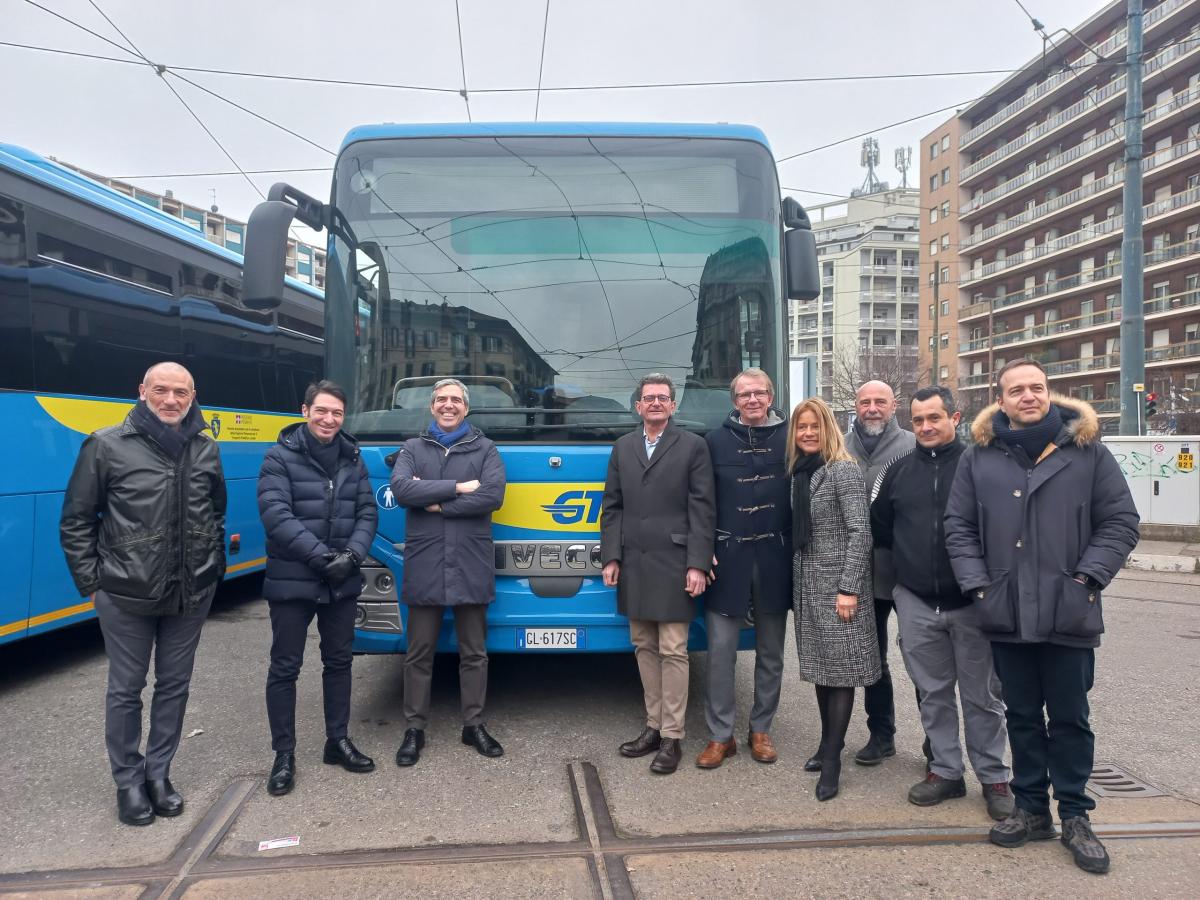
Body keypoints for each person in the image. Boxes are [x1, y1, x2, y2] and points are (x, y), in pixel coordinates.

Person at [945, 359, 1139, 875]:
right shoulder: (979, 457)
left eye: (1037, 388)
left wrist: (1086, 580)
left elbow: (1120, 522)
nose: (1028, 397)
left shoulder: (1088, 452)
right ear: (1000, 398)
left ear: (1049, 393)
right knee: (1023, 716)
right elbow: (958, 528)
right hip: (1005, 609)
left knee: (1071, 718)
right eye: (1016, 390)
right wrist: (979, 586)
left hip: (1068, 610)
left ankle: (1075, 814)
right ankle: (1032, 810)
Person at [60, 362, 225, 826]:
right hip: (124, 594)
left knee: (174, 685)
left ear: (193, 395)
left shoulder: (206, 446)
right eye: (160, 391)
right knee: (126, 689)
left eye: (180, 392)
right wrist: (94, 583)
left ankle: (159, 774)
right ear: (142, 392)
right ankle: (128, 782)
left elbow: (215, 514)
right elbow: (76, 520)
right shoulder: (107, 445)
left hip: (190, 592)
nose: (170, 400)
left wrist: (212, 570)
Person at [870, 386, 1013, 822]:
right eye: (918, 421)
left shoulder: (984, 467)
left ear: (956, 416)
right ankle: (946, 771)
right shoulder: (897, 472)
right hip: (915, 602)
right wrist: (904, 584)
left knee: (982, 697)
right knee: (932, 694)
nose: (927, 427)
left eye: (935, 418)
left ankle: (994, 777)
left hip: (972, 603)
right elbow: (883, 531)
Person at [258, 380, 378, 796]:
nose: (329, 419)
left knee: (339, 661)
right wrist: (323, 559)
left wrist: (353, 557)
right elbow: (276, 515)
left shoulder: (353, 458)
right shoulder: (279, 457)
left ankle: (337, 741)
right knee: (285, 667)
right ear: (305, 410)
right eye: (322, 411)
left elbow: (367, 511)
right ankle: (284, 754)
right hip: (294, 580)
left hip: (341, 580)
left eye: (337, 413)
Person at [389, 378, 507, 765]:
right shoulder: (412, 447)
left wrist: (438, 503)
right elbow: (404, 490)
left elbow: (492, 496)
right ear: (432, 406)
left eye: (456, 400)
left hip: (470, 563)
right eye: (442, 400)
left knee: (474, 653)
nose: (448, 405)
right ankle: (414, 728)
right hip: (427, 563)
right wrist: (458, 487)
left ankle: (473, 725)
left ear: (466, 408)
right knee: (418, 652)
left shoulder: (485, 448)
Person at [602, 373, 715, 775]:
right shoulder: (622, 447)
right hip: (633, 562)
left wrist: (698, 563)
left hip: (674, 563)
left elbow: (703, 509)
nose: (654, 403)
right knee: (643, 646)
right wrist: (611, 558)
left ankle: (672, 736)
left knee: (673, 649)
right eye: (648, 398)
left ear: (672, 405)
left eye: (662, 398)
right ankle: (652, 727)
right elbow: (611, 508)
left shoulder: (693, 447)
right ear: (638, 406)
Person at [697, 368, 791, 769]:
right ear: (734, 401)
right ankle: (721, 736)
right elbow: (699, 503)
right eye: (744, 395)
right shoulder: (713, 442)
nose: (752, 400)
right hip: (727, 559)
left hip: (775, 557)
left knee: (771, 651)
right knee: (720, 652)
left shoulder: (793, 439)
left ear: (770, 397)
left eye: (759, 393)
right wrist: (703, 552)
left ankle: (760, 730)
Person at [788, 397, 879, 801]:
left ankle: (834, 760)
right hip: (807, 583)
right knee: (822, 670)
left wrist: (849, 588)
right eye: (801, 427)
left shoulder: (842, 470)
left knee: (841, 673)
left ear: (829, 429)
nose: (807, 433)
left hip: (840, 587)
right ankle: (827, 745)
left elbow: (862, 532)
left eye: (814, 426)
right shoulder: (800, 473)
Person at [843, 380, 915, 767]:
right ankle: (881, 734)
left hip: (905, 570)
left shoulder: (912, 445)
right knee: (873, 658)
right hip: (860, 572)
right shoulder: (839, 447)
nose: (872, 408)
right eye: (865, 401)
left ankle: (937, 746)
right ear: (856, 405)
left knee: (922, 657)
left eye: (880, 402)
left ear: (894, 405)